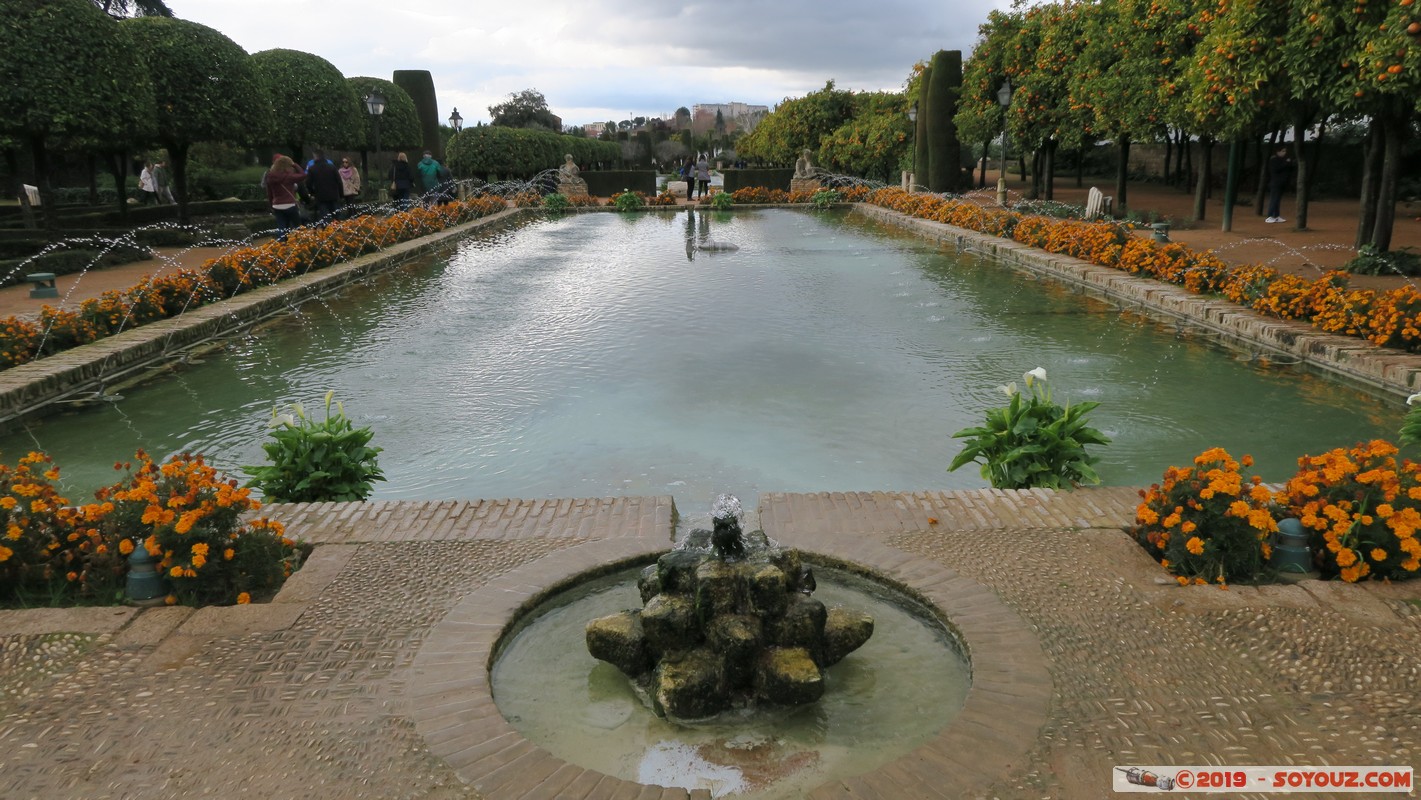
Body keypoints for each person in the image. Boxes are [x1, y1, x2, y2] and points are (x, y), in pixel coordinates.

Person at [265, 155, 307, 241]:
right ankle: (301, 242)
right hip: (290, 204)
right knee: (297, 226)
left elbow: (269, 193)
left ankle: (282, 244)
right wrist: (294, 164)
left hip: (277, 205)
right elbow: (303, 175)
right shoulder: (289, 176)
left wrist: (271, 204)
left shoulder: (269, 177)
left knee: (282, 226)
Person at [304, 149, 343, 224]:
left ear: (315, 157)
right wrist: (340, 194)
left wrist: (312, 193)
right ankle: (339, 231)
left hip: (321, 196)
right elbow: (339, 181)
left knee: (325, 217)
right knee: (337, 216)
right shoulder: (332, 167)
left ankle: (327, 232)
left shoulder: (312, 169)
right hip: (334, 195)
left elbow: (308, 183)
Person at [1265, 146, 1292, 224]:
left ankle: (1276, 216)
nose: (1284, 153)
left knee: (1277, 200)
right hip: (1275, 183)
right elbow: (1277, 169)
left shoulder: (1283, 160)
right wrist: (1286, 163)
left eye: (1285, 151)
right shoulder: (1273, 160)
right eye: (1283, 151)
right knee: (1274, 199)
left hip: (1282, 183)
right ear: (1278, 151)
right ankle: (1269, 216)